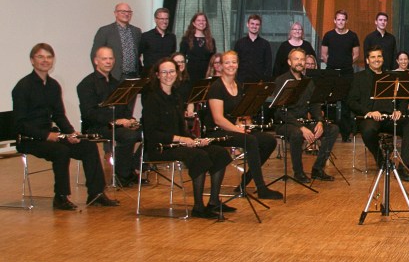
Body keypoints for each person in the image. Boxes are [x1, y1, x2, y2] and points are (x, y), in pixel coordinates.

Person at [13, 43, 118, 210]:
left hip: (50, 135)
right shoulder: (23, 87)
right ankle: (61, 197)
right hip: (29, 139)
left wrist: (70, 133)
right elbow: (20, 123)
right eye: (40, 57)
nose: (45, 60)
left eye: (49, 57)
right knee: (61, 151)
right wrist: (46, 135)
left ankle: (96, 194)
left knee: (88, 147)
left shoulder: (53, 85)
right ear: (32, 60)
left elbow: (59, 115)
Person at [141, 57, 232, 219]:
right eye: (164, 72)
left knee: (220, 153)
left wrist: (195, 139)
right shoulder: (152, 99)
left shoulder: (176, 96)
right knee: (199, 156)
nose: (168, 75)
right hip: (160, 147)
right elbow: (152, 134)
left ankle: (214, 202)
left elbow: (181, 128)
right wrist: (181, 139)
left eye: (172, 71)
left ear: (177, 73)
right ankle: (198, 207)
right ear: (157, 75)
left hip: (178, 144)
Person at [203, 51, 283, 200]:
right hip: (216, 131)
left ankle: (246, 179)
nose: (231, 65)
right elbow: (218, 119)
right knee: (250, 140)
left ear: (238, 65)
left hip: (234, 129)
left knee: (269, 141)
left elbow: (240, 113)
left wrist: (244, 124)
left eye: (234, 62)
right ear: (220, 66)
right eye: (227, 62)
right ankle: (261, 188)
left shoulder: (238, 86)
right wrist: (238, 129)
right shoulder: (216, 87)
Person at [348, 46, 409, 182]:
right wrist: (368, 112)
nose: (376, 59)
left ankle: (404, 167)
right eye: (373, 57)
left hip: (390, 118)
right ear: (367, 60)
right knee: (368, 130)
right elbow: (351, 101)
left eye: (379, 56)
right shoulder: (358, 77)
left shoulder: (392, 76)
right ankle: (381, 159)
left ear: (383, 59)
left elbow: (403, 99)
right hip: (370, 118)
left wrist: (399, 110)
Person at [77, 46, 141, 187]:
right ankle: (122, 176)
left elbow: (123, 107)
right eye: (104, 59)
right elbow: (89, 113)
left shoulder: (116, 83)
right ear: (96, 61)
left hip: (116, 125)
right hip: (96, 127)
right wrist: (115, 121)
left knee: (147, 131)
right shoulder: (86, 84)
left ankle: (133, 168)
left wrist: (129, 119)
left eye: (111, 58)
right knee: (129, 135)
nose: (108, 61)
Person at [274, 48, 340, 183]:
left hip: (304, 122)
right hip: (286, 123)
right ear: (289, 62)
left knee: (333, 129)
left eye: (302, 59)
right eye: (296, 59)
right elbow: (280, 111)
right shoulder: (282, 81)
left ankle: (318, 169)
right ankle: (298, 172)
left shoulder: (308, 81)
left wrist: (320, 121)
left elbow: (314, 104)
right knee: (297, 133)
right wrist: (301, 127)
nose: (300, 62)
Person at [320, 9, 360, 142]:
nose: (341, 22)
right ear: (334, 21)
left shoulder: (352, 36)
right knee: (329, 102)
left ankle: (345, 134)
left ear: (346, 21)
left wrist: (345, 64)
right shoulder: (328, 35)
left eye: (343, 19)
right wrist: (333, 65)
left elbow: (356, 54)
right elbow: (323, 54)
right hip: (331, 72)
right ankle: (328, 132)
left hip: (347, 73)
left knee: (346, 104)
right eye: (338, 19)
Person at [92, 2, 142, 80]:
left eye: (129, 12)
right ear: (115, 13)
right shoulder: (105, 31)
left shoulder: (136, 31)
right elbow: (95, 54)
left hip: (133, 75)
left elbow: (138, 53)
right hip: (114, 76)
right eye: (123, 12)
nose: (126, 14)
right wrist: (100, 76)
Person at [234, 14, 273, 84]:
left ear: (260, 26)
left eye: (257, 24)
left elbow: (268, 65)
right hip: (242, 81)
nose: (254, 26)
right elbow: (235, 62)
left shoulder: (265, 44)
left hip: (259, 83)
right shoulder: (239, 43)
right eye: (252, 23)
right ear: (247, 24)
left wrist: (264, 80)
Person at [180, 12, 217, 82]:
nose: (201, 22)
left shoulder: (211, 40)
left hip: (206, 73)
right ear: (193, 23)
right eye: (198, 20)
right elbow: (182, 56)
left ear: (206, 23)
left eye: (203, 20)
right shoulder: (186, 39)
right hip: (190, 73)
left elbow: (213, 58)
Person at [139, 8, 176, 75]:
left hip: (167, 75)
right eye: (162, 19)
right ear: (155, 19)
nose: (165, 21)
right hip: (150, 75)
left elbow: (172, 56)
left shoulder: (172, 37)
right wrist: (141, 70)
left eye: (166, 19)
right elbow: (137, 55)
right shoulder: (146, 36)